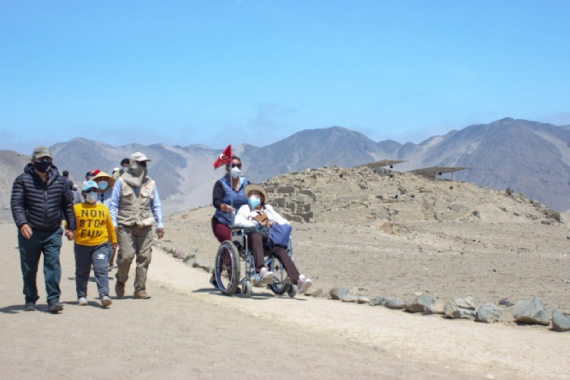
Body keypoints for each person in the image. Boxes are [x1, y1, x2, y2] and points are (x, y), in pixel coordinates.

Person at [10, 146, 76, 313]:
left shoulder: (60, 182)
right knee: (29, 267)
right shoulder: (22, 180)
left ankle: (53, 299)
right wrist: (22, 223)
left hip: (53, 230)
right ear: (33, 161)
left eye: (47, 160)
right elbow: (16, 204)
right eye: (40, 160)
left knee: (52, 264)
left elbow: (68, 206)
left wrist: (71, 227)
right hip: (30, 231)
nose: (44, 163)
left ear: (52, 161)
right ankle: (30, 298)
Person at [234, 184, 312, 293]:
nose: (253, 197)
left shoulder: (268, 209)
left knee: (280, 250)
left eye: (256, 195)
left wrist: (275, 223)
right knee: (256, 236)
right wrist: (256, 224)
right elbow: (237, 221)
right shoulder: (245, 208)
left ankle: (298, 279)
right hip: (251, 240)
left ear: (261, 198)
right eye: (251, 195)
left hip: (268, 240)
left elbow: (283, 221)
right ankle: (261, 269)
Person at [108, 152, 164, 299]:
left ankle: (140, 288)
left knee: (144, 256)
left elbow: (156, 204)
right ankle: (121, 279)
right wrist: (113, 223)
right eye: (140, 163)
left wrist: (160, 224)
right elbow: (113, 205)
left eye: (145, 163)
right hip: (125, 224)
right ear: (133, 164)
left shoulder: (150, 183)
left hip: (145, 224)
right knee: (126, 256)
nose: (144, 166)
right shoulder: (121, 182)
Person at [73, 181, 117, 307]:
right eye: (89, 191)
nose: (92, 193)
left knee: (101, 269)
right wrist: (70, 232)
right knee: (82, 271)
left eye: (95, 191)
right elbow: (70, 224)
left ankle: (104, 294)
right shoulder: (76, 209)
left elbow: (109, 226)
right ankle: (81, 295)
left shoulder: (103, 209)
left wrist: (113, 241)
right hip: (82, 245)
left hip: (100, 245)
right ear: (83, 193)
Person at [211, 155, 249, 243]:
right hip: (223, 222)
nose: (236, 168)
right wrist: (225, 207)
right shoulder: (220, 184)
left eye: (238, 165)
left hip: (242, 222)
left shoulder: (246, 183)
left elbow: (254, 199)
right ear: (227, 168)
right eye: (232, 165)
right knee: (232, 244)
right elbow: (216, 201)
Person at [92, 170, 118, 269]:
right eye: (100, 180)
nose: (102, 182)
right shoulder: (93, 193)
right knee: (99, 246)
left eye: (104, 180)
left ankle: (107, 262)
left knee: (110, 245)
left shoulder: (113, 193)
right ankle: (101, 263)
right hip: (96, 224)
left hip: (110, 223)